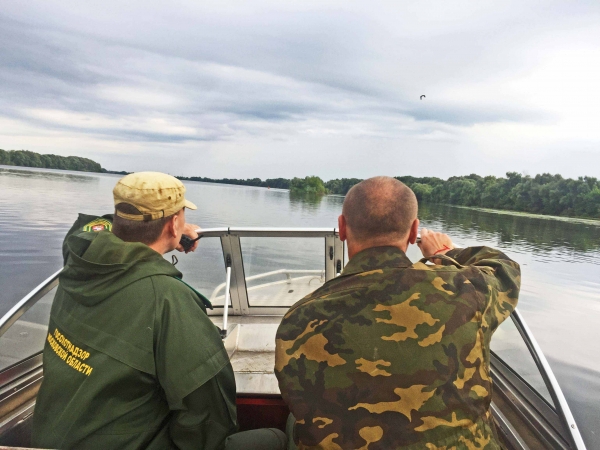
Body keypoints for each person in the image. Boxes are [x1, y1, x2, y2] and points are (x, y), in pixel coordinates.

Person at [32, 172, 286, 450]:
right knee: (275, 439)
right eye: (181, 216)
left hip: (48, 437)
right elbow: (209, 418)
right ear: (174, 222)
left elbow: (97, 226)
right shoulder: (168, 300)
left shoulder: (79, 251)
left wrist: (160, 234)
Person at [275, 176, 520, 450]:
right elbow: (505, 269)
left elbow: (301, 402)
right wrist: (445, 253)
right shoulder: (464, 291)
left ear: (342, 228)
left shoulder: (297, 322)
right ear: (414, 228)